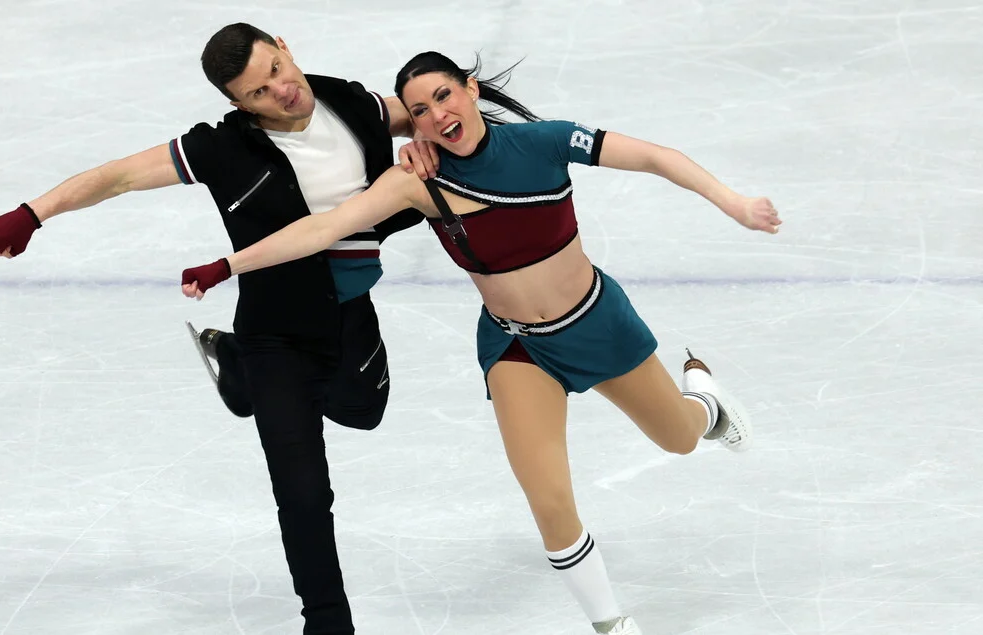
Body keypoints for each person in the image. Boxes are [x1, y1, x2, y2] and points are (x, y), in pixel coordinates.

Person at [177, 50, 783, 634]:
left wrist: (733, 202)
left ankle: (704, 402)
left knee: (678, 438)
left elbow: (653, 156)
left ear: (469, 88)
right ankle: (612, 624)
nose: (437, 116)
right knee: (549, 500)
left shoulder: (545, 142)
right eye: (419, 111)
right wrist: (228, 266)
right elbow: (324, 228)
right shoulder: (418, 180)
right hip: (517, 348)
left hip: (596, 322)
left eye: (443, 95)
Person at [0, 23, 440, 635]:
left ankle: (236, 372)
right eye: (258, 92)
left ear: (285, 46)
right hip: (276, 333)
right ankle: (328, 623)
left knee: (364, 410)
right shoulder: (221, 149)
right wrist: (34, 212)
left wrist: (448, 139)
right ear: (237, 104)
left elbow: (428, 114)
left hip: (349, 312)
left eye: (277, 71)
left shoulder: (352, 102)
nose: (281, 92)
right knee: (304, 495)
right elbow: (119, 176)